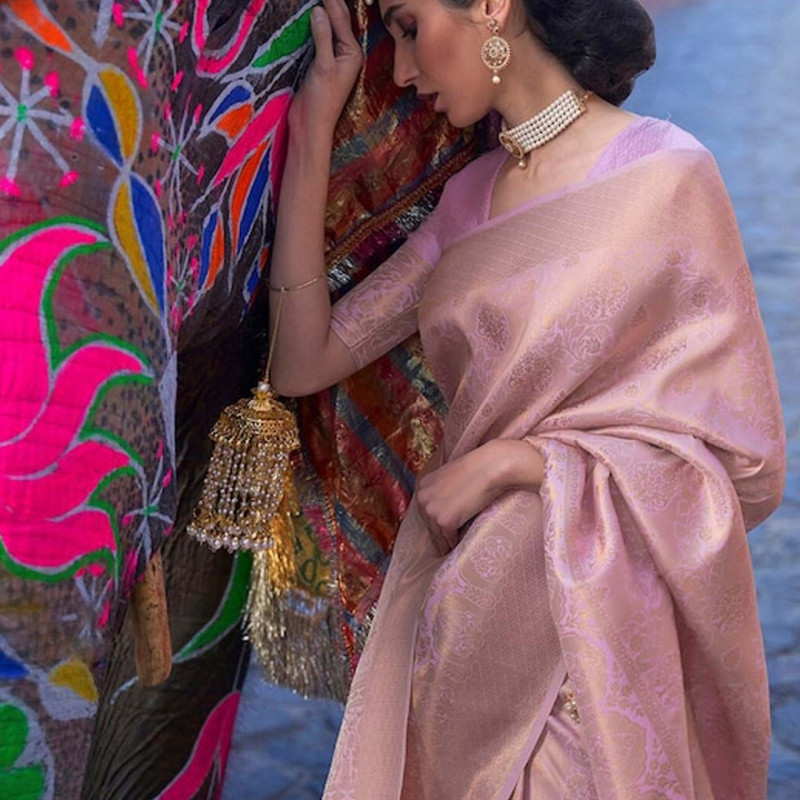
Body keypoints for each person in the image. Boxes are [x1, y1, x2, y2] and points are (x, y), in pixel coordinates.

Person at [268, 0, 786, 796]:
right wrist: (313, 126)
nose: (401, 71)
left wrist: (524, 463)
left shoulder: (666, 175)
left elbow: (742, 463)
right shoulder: (467, 202)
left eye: (409, 27)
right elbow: (302, 361)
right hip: (466, 621)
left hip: (591, 652)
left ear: (490, 7)